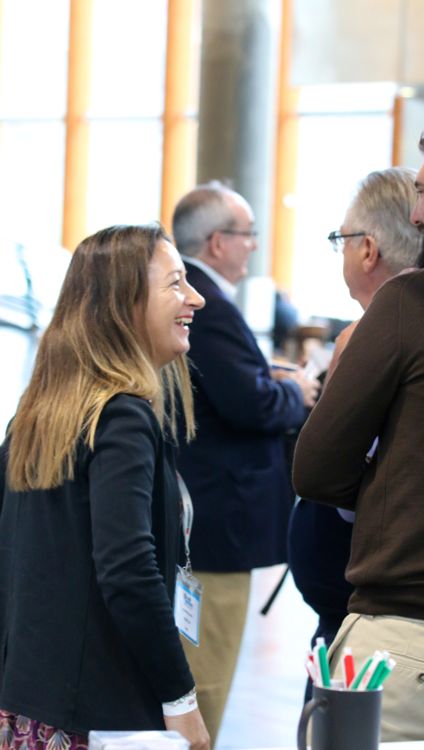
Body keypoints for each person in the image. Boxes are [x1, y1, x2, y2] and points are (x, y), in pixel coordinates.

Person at [293, 105, 424, 741]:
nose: (414, 214)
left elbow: (317, 468)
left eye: (422, 190)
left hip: (412, 641)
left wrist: (402, 491)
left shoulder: (413, 300)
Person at [0, 224, 210, 750]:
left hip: (28, 705)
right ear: (124, 304)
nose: (196, 298)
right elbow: (127, 569)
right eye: (176, 283)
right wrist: (181, 700)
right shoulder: (122, 416)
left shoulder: (35, 416)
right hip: (98, 717)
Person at [172, 181, 319, 744]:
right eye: (247, 234)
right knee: (206, 675)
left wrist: (269, 377)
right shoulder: (205, 303)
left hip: (207, 514)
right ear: (216, 241)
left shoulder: (196, 296)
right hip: (217, 521)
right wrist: (295, 392)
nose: (253, 245)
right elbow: (249, 403)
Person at [287, 167, 423, 700]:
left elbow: (333, 468)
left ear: (368, 249)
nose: (340, 250)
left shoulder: (370, 338)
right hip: (357, 598)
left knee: (338, 726)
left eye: (340, 238)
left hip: (364, 606)